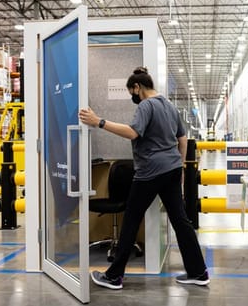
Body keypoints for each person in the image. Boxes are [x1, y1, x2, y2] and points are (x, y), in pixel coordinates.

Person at [79, 66, 209, 290]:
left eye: (132, 92)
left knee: (131, 219)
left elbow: (132, 132)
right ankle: (199, 271)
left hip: (150, 171)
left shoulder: (146, 105)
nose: (133, 97)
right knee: (180, 220)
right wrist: (179, 166)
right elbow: (183, 139)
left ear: (137, 87)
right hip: (172, 169)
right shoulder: (169, 105)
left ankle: (114, 276)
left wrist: (98, 121)